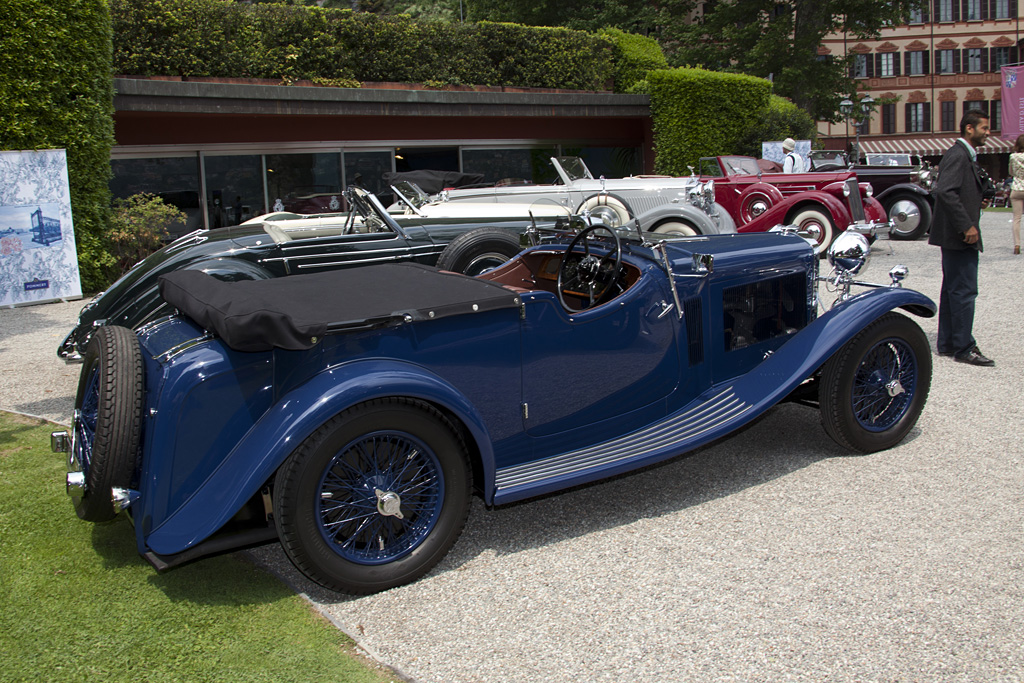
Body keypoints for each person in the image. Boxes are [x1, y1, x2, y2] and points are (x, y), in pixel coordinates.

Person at [928, 109, 994, 366]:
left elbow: (956, 190)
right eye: (984, 128)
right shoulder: (958, 154)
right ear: (969, 128)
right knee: (964, 290)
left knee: (953, 289)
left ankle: (948, 342)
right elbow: (945, 191)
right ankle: (964, 347)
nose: (988, 132)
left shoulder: (962, 154)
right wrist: (967, 225)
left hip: (954, 235)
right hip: (959, 235)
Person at [1009, 134, 1024, 255]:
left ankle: (1017, 245)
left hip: (1017, 188)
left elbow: (1011, 172)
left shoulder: (1013, 157)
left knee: (1017, 219)